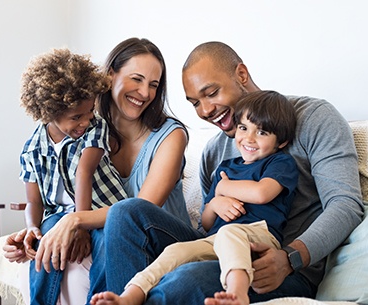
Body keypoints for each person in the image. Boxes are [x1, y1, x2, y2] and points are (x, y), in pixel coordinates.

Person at [94, 41, 364, 305]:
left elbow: (345, 204)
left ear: (242, 75)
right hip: (219, 247)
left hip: (280, 266)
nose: (206, 111)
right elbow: (207, 227)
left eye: (211, 93)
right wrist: (214, 204)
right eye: (195, 103)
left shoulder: (313, 117)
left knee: (185, 281)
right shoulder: (214, 152)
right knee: (126, 212)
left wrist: (290, 258)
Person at [3, 38, 192, 305]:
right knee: (54, 234)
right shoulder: (86, 128)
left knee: (118, 220)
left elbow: (141, 209)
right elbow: (58, 191)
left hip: (162, 238)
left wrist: (76, 220)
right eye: (136, 79)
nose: (145, 93)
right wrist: (34, 231)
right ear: (110, 75)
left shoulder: (170, 136)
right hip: (113, 231)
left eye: (153, 84)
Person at [90, 90, 299, 305]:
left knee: (230, 232)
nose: (249, 138)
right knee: (176, 251)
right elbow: (207, 223)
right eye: (244, 128)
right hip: (215, 239)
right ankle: (130, 296)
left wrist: (224, 187)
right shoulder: (225, 168)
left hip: (258, 237)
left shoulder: (279, 163)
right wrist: (216, 201)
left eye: (262, 133)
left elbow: (261, 193)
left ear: (281, 142)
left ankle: (238, 294)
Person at [18, 48, 127, 305]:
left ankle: (100, 300)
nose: (85, 121)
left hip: (101, 209)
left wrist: (80, 225)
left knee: (105, 244)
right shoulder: (32, 149)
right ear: (48, 113)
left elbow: (84, 173)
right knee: (46, 243)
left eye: (89, 111)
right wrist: (33, 227)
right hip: (58, 215)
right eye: (76, 117)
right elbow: (34, 201)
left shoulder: (95, 127)